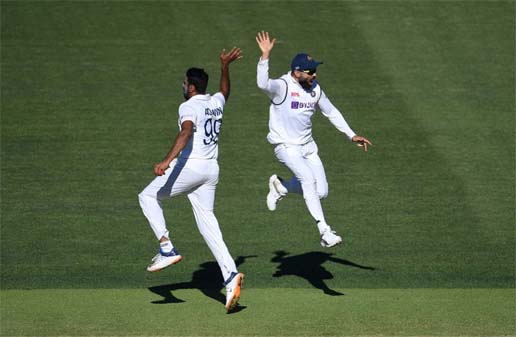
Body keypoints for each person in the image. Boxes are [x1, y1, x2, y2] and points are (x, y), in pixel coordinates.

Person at [138, 47, 244, 313]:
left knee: (147, 196)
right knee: (208, 223)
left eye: (185, 82)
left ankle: (166, 248)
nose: (182, 85)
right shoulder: (215, 103)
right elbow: (225, 92)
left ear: (192, 87)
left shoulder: (188, 106)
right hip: (211, 171)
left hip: (192, 168)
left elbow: (186, 132)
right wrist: (224, 67)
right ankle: (230, 276)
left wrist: (165, 161)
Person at [255, 31, 372, 248]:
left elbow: (331, 112)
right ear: (296, 72)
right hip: (286, 146)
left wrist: (351, 134)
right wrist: (265, 57)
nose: (314, 75)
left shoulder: (315, 89)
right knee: (308, 181)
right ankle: (324, 231)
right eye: (310, 72)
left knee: (321, 192)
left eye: (315, 71)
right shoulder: (282, 86)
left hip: (308, 148)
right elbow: (263, 85)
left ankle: (281, 187)